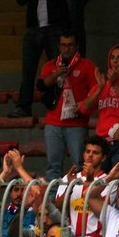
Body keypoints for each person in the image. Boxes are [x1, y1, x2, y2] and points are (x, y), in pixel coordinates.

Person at [11, 0, 70, 118]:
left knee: (58, 70)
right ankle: (24, 107)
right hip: (33, 30)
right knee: (28, 71)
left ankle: (58, 106)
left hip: (54, 30)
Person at [37, 32, 99, 180]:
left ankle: (79, 193)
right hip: (53, 122)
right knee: (53, 165)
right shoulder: (51, 65)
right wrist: (56, 74)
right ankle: (53, 194)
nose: (66, 49)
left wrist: (84, 104)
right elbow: (41, 86)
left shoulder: (88, 66)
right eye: (63, 45)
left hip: (77, 123)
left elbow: (96, 90)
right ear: (59, 46)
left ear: (76, 46)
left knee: (80, 163)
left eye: (70, 45)